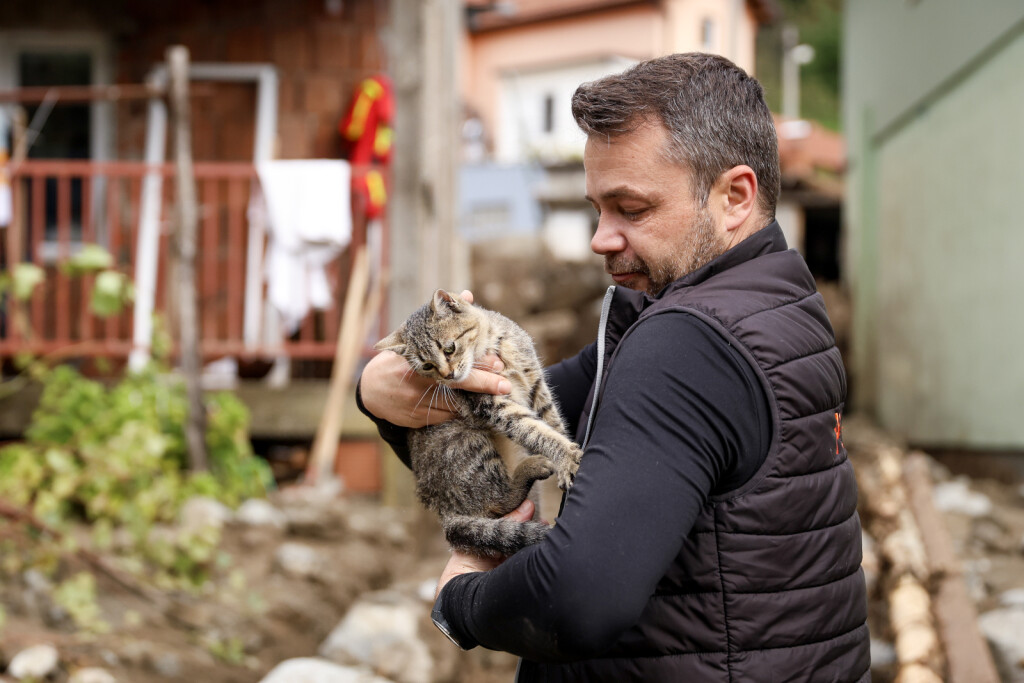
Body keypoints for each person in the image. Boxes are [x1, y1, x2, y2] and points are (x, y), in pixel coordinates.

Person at [359, 53, 869, 682]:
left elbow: (577, 599)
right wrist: (388, 390)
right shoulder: (774, 303)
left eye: (632, 209)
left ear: (735, 196)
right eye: (596, 208)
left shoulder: (687, 344)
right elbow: (522, 424)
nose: (600, 237)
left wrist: (461, 602)